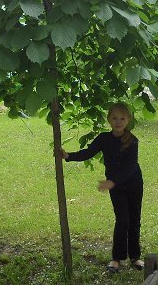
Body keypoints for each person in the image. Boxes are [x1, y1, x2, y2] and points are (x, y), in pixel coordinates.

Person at [60, 102, 144, 273]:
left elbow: (130, 167)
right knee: (122, 220)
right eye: (114, 118)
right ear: (109, 120)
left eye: (122, 118)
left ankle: (135, 256)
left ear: (128, 120)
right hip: (117, 188)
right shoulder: (104, 139)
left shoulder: (132, 141)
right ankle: (117, 258)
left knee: (134, 220)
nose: (118, 121)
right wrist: (68, 156)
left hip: (134, 184)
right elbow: (87, 153)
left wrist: (112, 182)